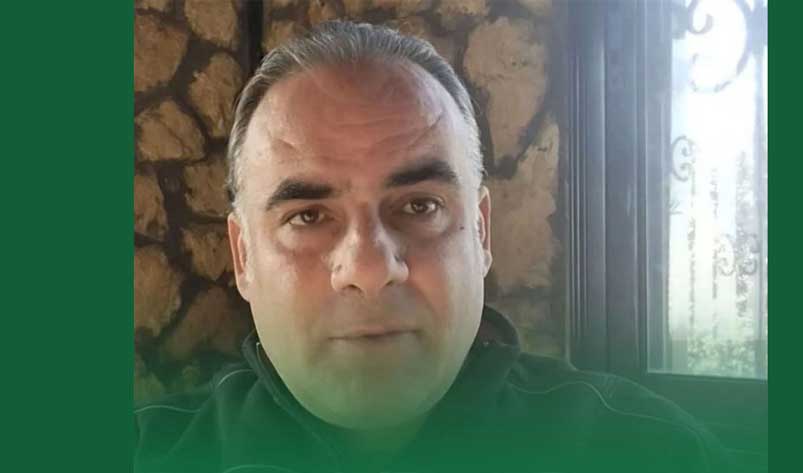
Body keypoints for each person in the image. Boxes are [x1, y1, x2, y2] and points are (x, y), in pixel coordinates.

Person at [134, 20, 731, 473]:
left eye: (420, 206)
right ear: (243, 257)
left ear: (482, 232)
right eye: (308, 216)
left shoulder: (652, 451)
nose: (369, 269)